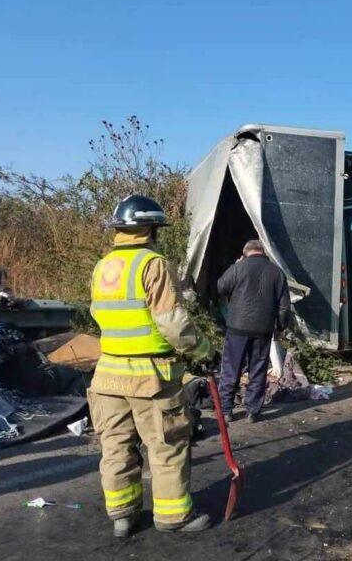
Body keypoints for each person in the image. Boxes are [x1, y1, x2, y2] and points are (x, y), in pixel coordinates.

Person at [88, 195, 214, 537]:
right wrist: (203, 350)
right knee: (166, 446)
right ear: (150, 229)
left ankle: (123, 517)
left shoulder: (103, 266)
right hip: (150, 378)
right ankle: (173, 518)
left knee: (116, 447)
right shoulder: (153, 264)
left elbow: (98, 314)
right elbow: (171, 322)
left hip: (106, 376)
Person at [217, 239, 291, 422]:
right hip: (263, 329)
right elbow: (284, 307)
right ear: (263, 252)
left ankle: (226, 410)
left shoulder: (238, 267)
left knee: (231, 368)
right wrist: (280, 327)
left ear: (245, 253)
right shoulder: (277, 273)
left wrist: (235, 267)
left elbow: (220, 287)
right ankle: (252, 411)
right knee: (258, 369)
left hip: (237, 328)